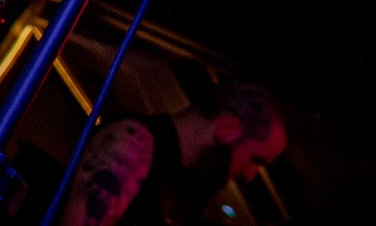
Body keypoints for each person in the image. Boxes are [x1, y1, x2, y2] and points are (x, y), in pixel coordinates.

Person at [58, 81, 288, 226]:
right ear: (228, 129)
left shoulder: (185, 189)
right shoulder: (133, 142)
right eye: (255, 160)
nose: (250, 175)